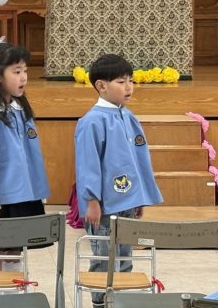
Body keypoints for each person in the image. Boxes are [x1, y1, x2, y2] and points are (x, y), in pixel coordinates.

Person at [75, 54, 163, 308]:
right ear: (101, 86)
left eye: (131, 81)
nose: (129, 87)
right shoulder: (92, 121)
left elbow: (137, 161)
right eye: (121, 82)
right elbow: (88, 164)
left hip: (127, 204)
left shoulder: (128, 116)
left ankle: (121, 302)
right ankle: (100, 304)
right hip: (103, 208)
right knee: (104, 261)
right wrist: (91, 200)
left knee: (124, 259)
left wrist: (139, 197)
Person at [0, 39, 50, 272]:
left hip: (24, 194)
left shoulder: (19, 109)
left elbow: (31, 155)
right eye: (16, 71)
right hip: (1, 198)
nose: (24, 77)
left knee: (16, 249)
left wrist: (36, 190)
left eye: (25, 71)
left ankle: (14, 290)